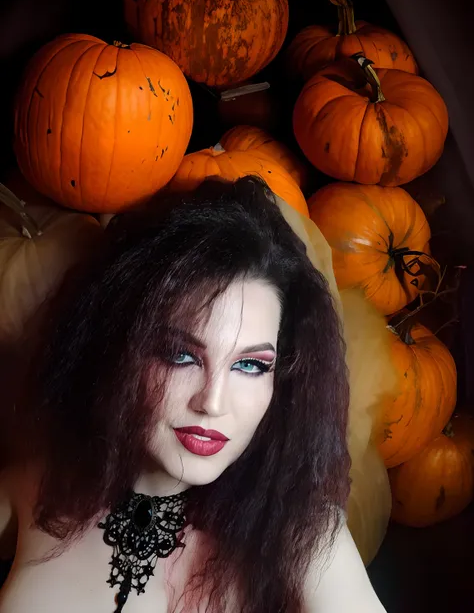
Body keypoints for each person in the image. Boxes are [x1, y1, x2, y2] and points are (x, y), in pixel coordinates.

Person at [0, 176, 386, 612]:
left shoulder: (304, 536)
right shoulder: (33, 484)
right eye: (180, 355)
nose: (213, 402)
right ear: (118, 348)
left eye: (250, 365)